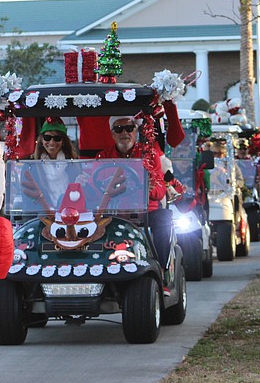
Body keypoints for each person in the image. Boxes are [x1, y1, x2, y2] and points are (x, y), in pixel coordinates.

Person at [96, 116, 171, 271]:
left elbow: (160, 188)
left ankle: (162, 269)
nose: (125, 133)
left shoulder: (149, 155)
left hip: (145, 211)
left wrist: (150, 189)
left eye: (129, 128)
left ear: (136, 131)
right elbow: (94, 187)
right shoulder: (103, 157)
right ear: (112, 134)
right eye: (119, 129)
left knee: (164, 218)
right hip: (114, 211)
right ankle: (97, 266)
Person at [32, 117, 80, 209]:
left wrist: (81, 184)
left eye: (57, 138)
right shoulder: (31, 166)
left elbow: (81, 195)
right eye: (47, 137)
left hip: (71, 212)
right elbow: (29, 201)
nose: (52, 142)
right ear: (41, 140)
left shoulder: (73, 163)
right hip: (43, 217)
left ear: (63, 141)